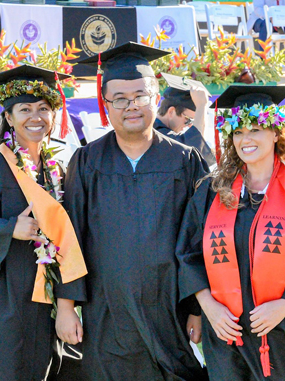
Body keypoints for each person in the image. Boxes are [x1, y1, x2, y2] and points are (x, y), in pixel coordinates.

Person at [57, 42, 208, 380]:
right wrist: (66, 306)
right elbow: (71, 237)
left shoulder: (184, 161)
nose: (132, 106)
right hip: (107, 305)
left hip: (169, 307)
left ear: (156, 98)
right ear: (105, 104)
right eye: (120, 99)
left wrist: (196, 309)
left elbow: (198, 239)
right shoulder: (87, 161)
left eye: (140, 96)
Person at [176, 85, 285, 380]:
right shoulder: (214, 192)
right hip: (227, 332)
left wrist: (284, 305)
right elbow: (188, 254)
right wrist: (208, 307)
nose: (246, 139)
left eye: (255, 129)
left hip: (284, 329)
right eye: (238, 132)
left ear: (277, 133)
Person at [0, 65, 88, 381]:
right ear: (9, 118)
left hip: (45, 296)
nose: (35, 117)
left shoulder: (57, 171)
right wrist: (9, 228)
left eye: (43, 108)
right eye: (25, 109)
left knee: (47, 370)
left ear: (54, 115)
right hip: (4, 297)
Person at [155, 86, 216, 167]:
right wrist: (201, 106)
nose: (190, 125)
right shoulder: (155, 135)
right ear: (171, 112)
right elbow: (194, 149)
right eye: (188, 119)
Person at [248, 0, 285, 72]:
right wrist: (269, 17)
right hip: (261, 19)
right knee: (266, 24)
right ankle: (263, 60)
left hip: (283, 20)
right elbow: (258, 9)